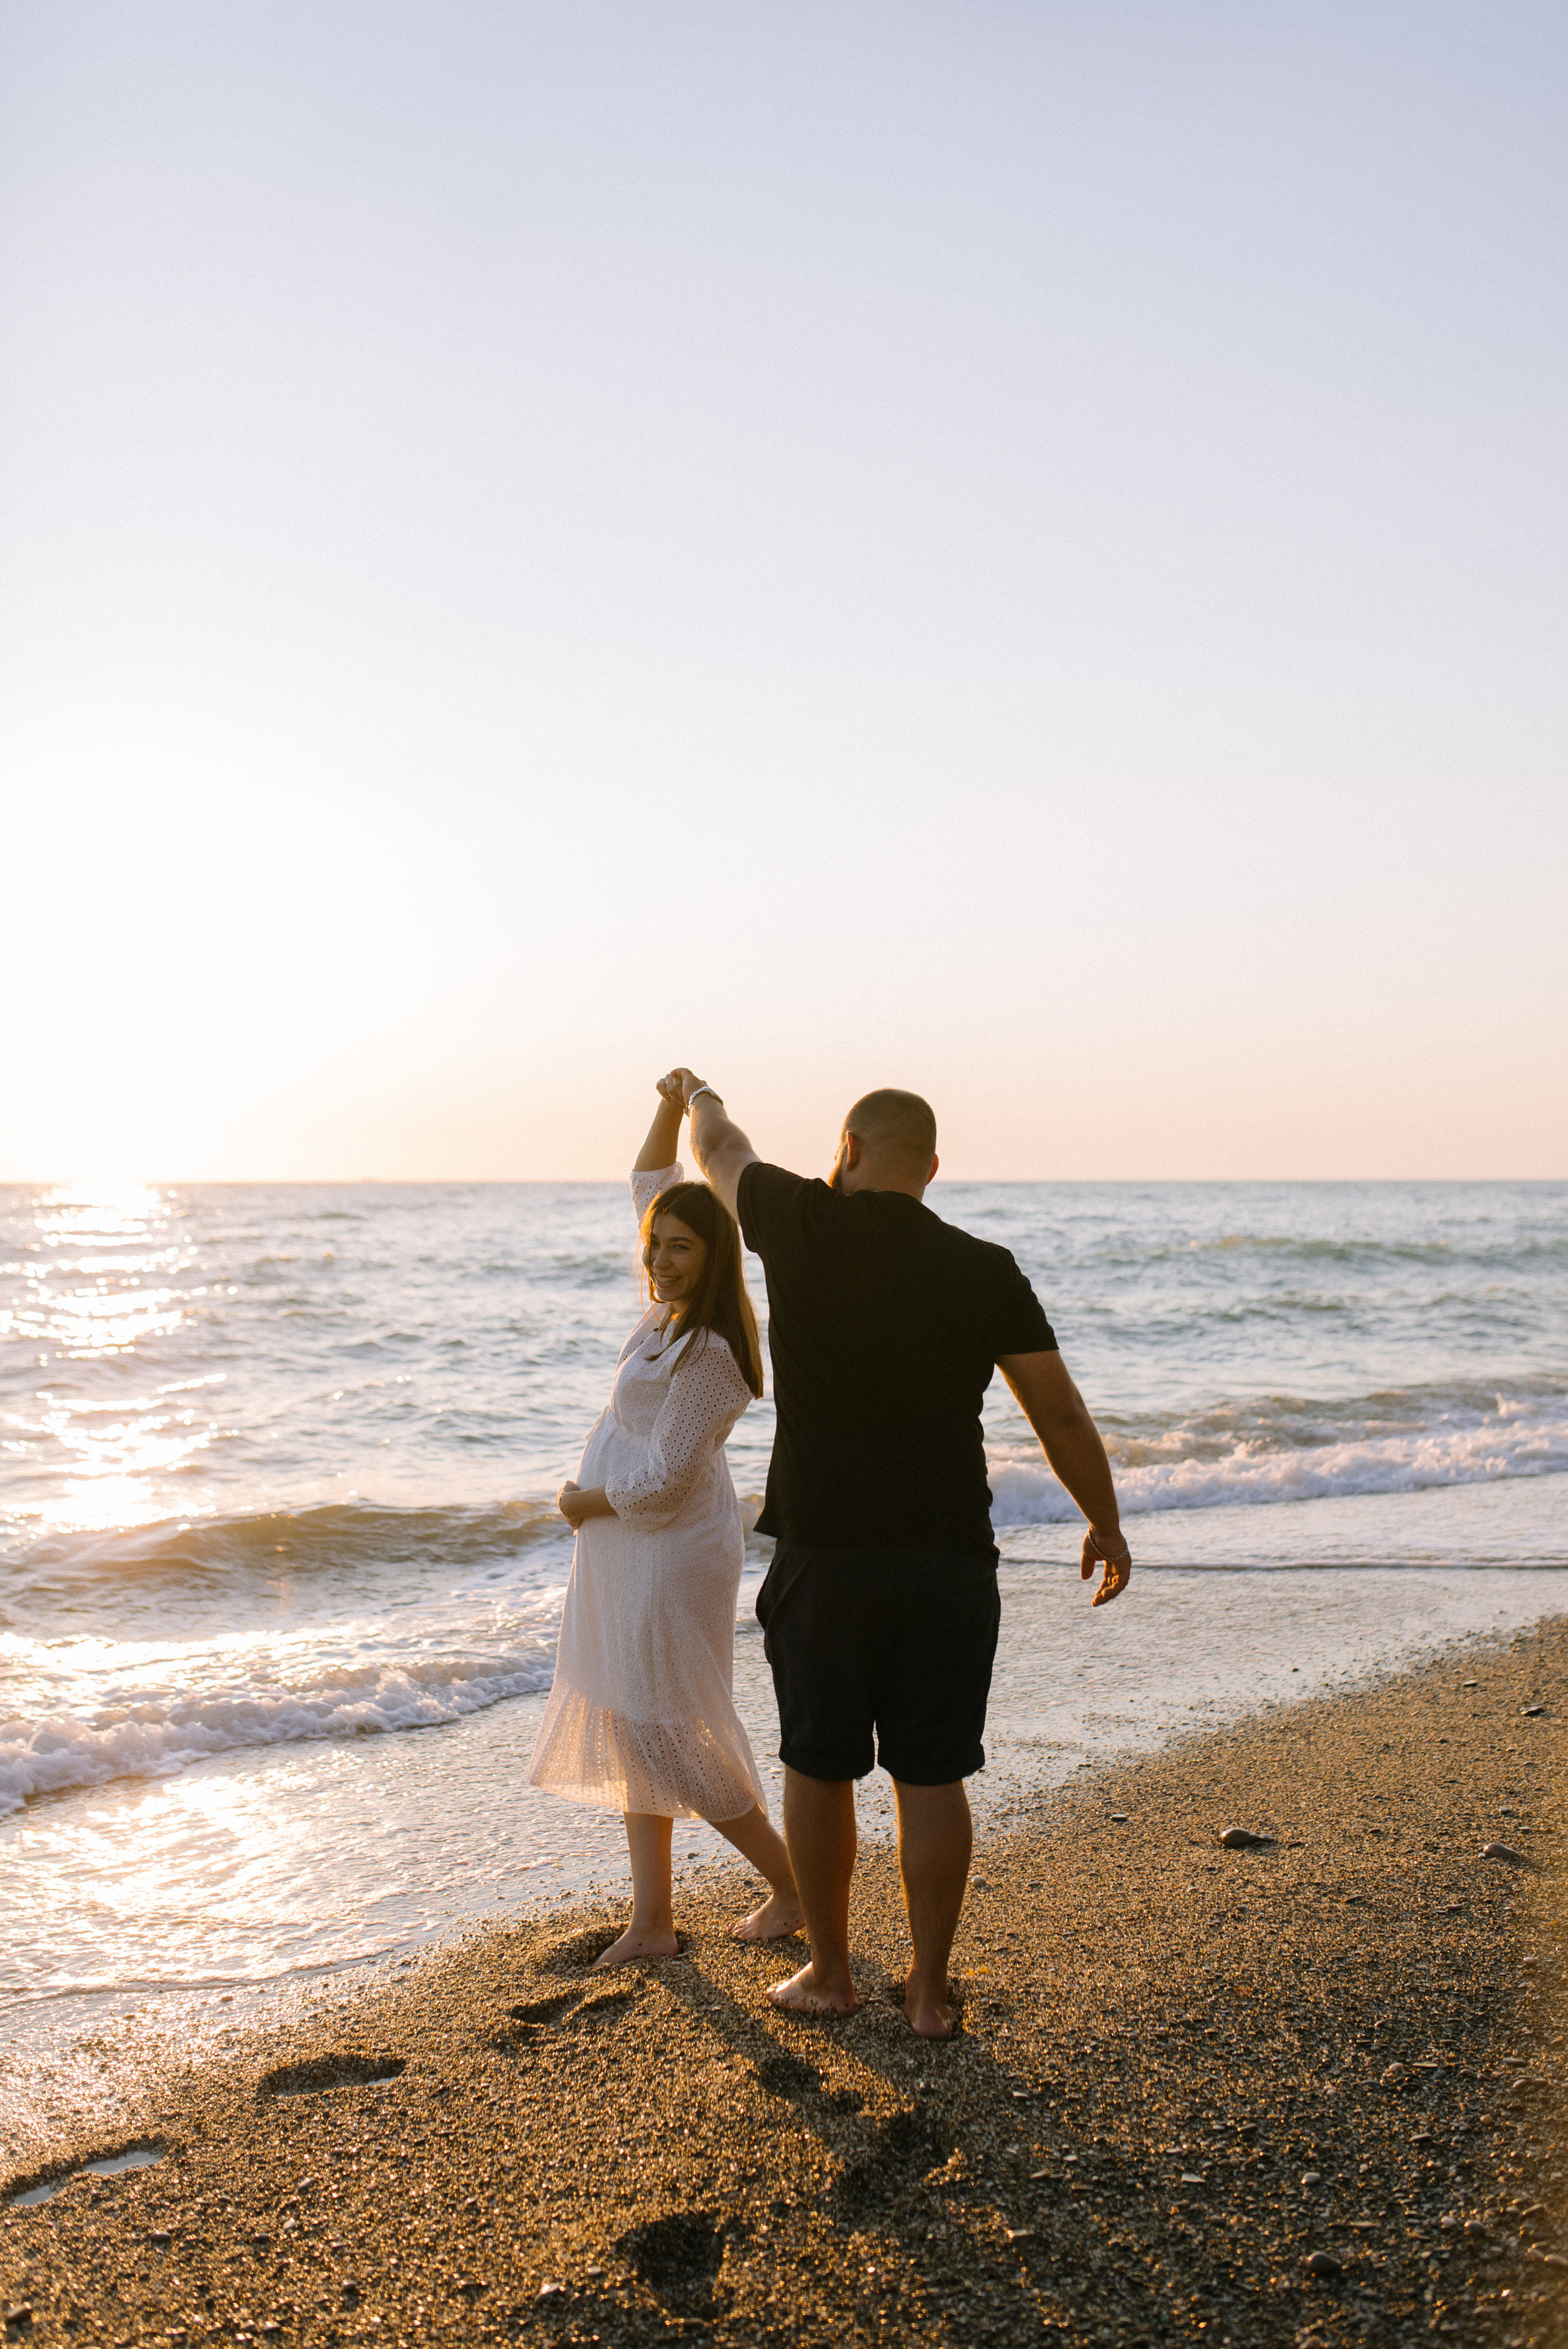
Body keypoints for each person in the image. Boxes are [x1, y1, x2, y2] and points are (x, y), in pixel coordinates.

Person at [666, 1069, 1131, 2037]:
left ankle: (830, 1973)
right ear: (930, 1168)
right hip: (948, 1562)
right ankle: (926, 1992)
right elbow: (1059, 1408)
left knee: (820, 1765)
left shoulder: (798, 1219)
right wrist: (1105, 1519)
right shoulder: (984, 1264)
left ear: (843, 1152)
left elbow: (718, 1151)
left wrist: (698, 1094)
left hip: (828, 1557)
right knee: (932, 1776)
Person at [526, 1075, 802, 1967]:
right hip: (621, 1547)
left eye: (681, 1247)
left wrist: (581, 1503)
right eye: (656, 1245)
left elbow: (667, 1479)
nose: (661, 1257)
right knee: (630, 1716)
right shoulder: (662, 1309)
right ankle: (652, 1921)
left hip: (666, 1546)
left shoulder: (713, 1349)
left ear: (714, 1255)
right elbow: (651, 1175)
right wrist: (679, 1099)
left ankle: (793, 1882)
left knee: (668, 1727)